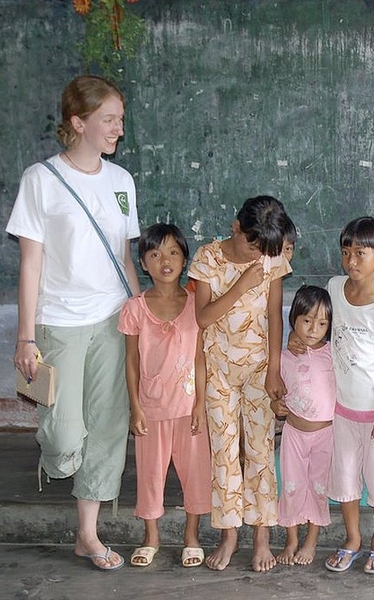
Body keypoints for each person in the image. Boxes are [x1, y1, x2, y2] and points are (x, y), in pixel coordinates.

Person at [7, 75, 139, 570]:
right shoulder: (40, 180)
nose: (117, 130)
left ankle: (88, 534)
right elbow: (31, 263)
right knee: (64, 436)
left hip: (112, 318)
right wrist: (25, 337)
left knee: (107, 427)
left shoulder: (121, 182)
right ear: (78, 122)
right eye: (108, 120)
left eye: (120, 120)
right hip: (58, 323)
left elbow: (124, 258)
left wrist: (139, 315)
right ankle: (64, 467)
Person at [188, 195, 295, 572]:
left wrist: (274, 368)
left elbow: (274, 316)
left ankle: (262, 536)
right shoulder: (207, 258)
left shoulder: (271, 258)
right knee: (225, 452)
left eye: (264, 250)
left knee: (262, 450)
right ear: (236, 227)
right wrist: (241, 284)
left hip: (258, 369)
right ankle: (229, 533)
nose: (257, 256)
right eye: (252, 245)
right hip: (218, 370)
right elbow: (202, 319)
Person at [292, 217, 374, 575]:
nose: (351, 261)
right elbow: (321, 331)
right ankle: (353, 539)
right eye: (346, 252)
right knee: (344, 479)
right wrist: (296, 341)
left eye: (361, 253)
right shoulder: (335, 286)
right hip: (343, 410)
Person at [117, 224, 212, 568]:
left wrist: (201, 403)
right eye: (155, 254)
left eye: (173, 252)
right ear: (143, 263)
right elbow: (131, 360)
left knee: (196, 473)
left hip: (189, 408)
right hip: (152, 408)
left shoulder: (196, 305)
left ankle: (192, 537)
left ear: (185, 259)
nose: (164, 260)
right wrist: (135, 407)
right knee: (151, 474)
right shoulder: (135, 308)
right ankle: (151, 537)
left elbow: (201, 357)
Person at [271, 285, 335, 566]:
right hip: (294, 434)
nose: (313, 329)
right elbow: (275, 394)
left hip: (326, 435)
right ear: (294, 319)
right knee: (293, 487)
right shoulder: (284, 357)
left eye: (322, 323)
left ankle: (311, 541)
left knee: (319, 487)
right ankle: (292, 540)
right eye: (306, 321)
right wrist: (276, 406)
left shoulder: (334, 354)